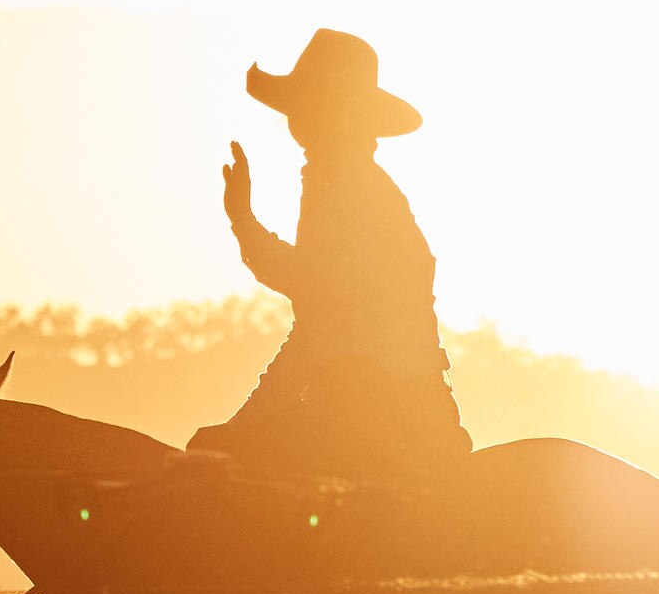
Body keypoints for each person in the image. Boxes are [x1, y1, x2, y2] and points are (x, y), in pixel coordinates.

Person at [193, 27, 472, 483]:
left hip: (383, 408)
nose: (300, 120)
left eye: (313, 106)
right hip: (373, 400)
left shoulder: (351, 188)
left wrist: (243, 221)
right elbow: (315, 318)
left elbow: (314, 290)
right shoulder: (339, 183)